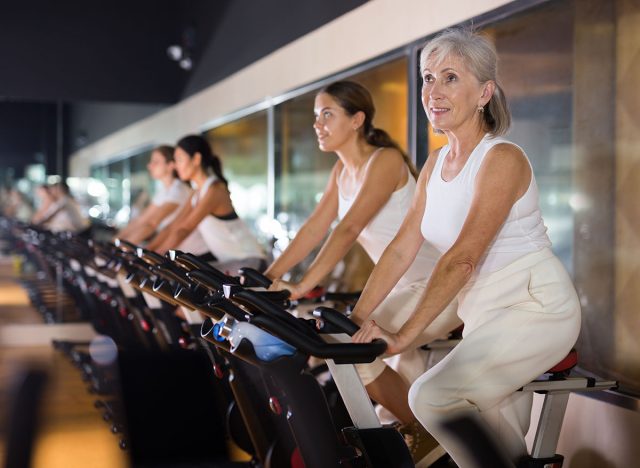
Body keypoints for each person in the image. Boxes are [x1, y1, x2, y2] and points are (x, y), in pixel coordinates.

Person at [351, 29, 581, 467]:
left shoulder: (502, 158)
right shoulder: (436, 163)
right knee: (495, 444)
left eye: (451, 78)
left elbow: (462, 258)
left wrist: (402, 337)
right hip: (481, 310)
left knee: (432, 396)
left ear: (484, 93)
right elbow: (401, 249)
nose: (433, 91)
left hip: (535, 307)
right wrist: (359, 319)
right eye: (428, 77)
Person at [265, 80, 461, 464]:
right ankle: (417, 430)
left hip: (439, 286)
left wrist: (302, 285)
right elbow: (314, 228)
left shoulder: (384, 160)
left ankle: (427, 432)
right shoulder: (341, 172)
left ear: (357, 120)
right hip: (398, 289)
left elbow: (348, 229)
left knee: (346, 344)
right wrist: (267, 277)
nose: (318, 124)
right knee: (348, 346)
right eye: (315, 117)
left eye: (327, 114)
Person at [147, 135, 265, 271]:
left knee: (190, 280)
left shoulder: (215, 189)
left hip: (249, 262)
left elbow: (184, 229)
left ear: (196, 159)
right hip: (230, 262)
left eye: (179, 160)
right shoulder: (196, 193)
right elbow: (173, 226)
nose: (176, 166)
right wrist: (148, 251)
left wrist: (159, 255)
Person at [117, 145, 191, 245]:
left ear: (170, 165)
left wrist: (120, 247)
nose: (149, 166)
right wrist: (115, 241)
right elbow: (141, 220)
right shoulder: (164, 191)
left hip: (190, 255)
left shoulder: (178, 190)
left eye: (155, 162)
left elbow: (151, 223)